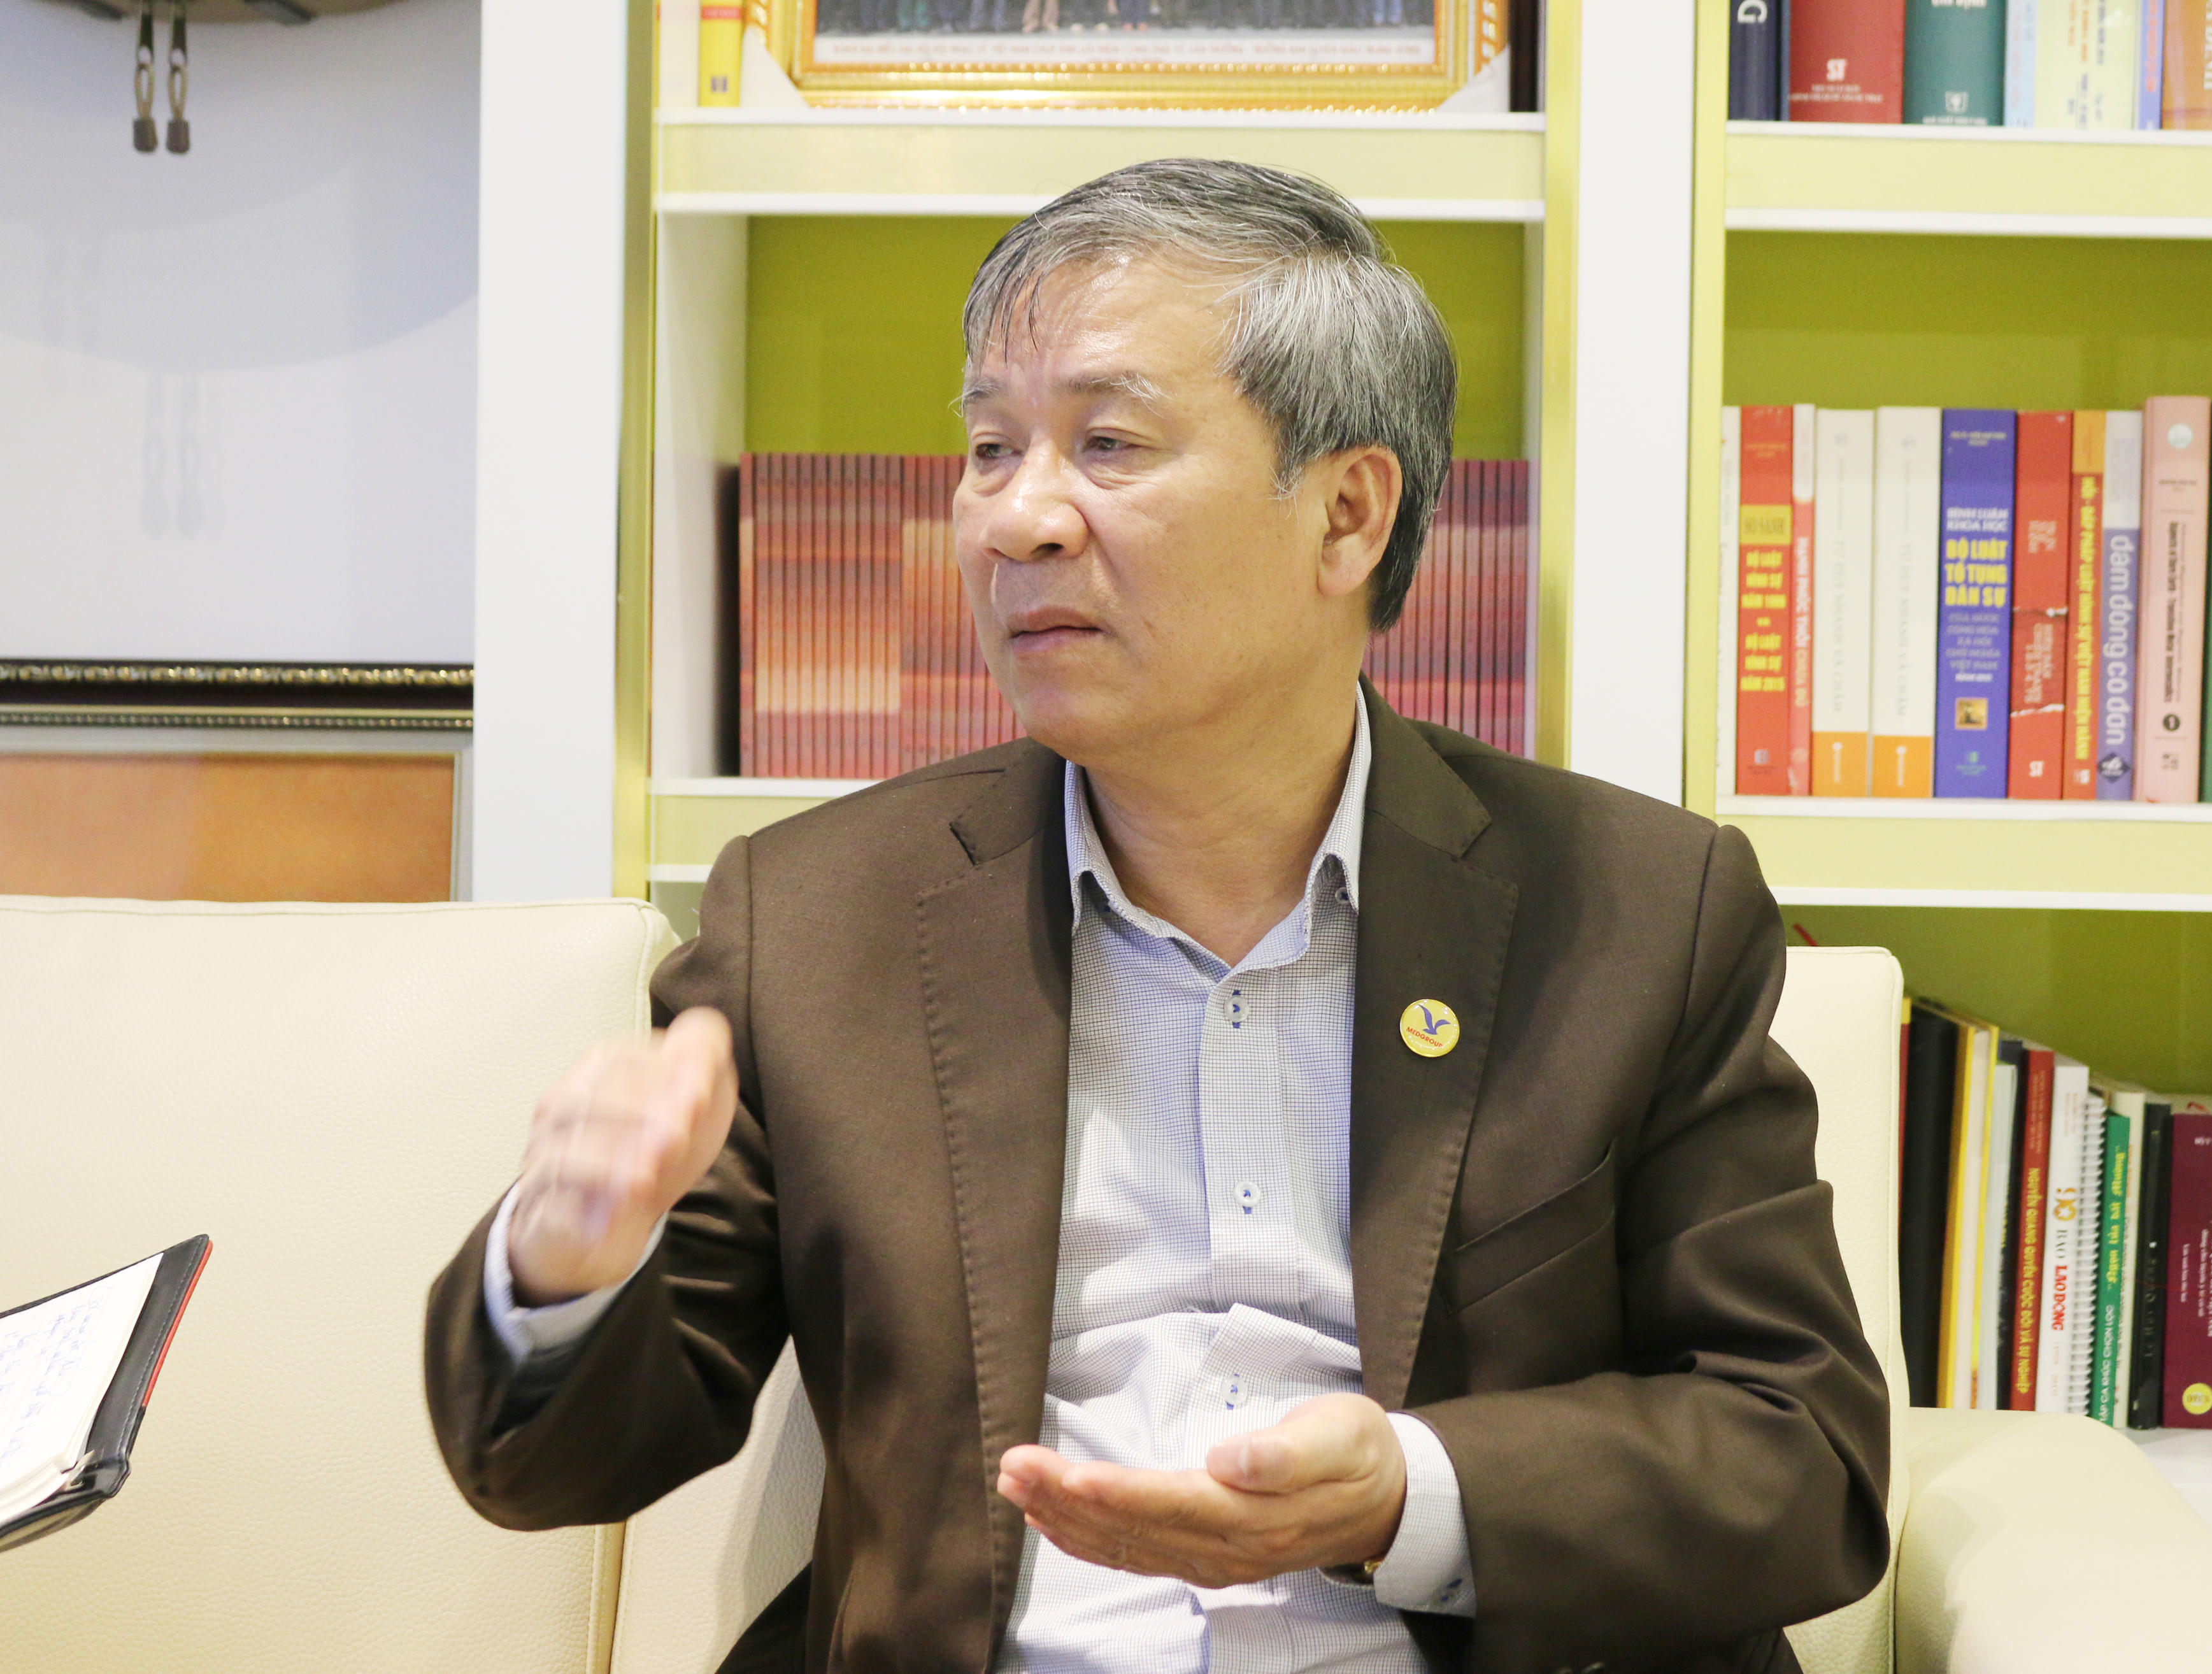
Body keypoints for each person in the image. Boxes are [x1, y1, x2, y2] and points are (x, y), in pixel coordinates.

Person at [425, 157, 1888, 1674]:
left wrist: (1410, 1494)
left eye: (1108, 443)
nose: (1016, 519)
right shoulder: (820, 918)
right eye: (991, 448)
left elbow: (1803, 1459)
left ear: (1347, 516)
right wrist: (562, 1266)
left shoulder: (1636, 913)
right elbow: (553, 1467)